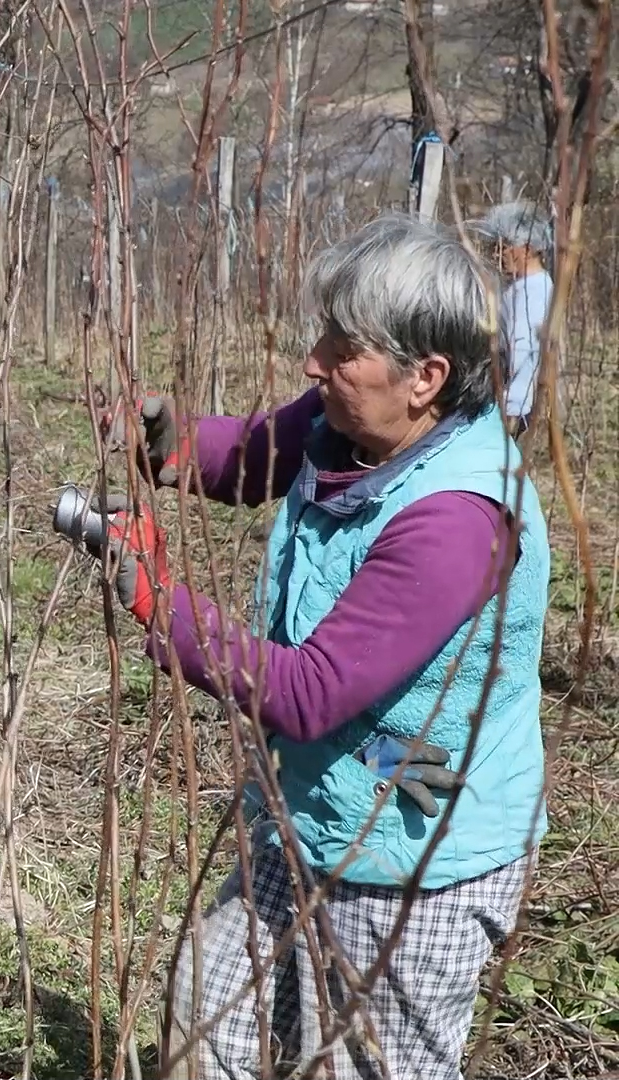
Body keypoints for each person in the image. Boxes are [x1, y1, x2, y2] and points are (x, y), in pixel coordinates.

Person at [93, 215, 548, 1078]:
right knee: (208, 1004)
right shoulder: (354, 426)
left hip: (418, 856)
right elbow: (259, 454)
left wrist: (164, 607)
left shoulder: (459, 519)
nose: (315, 360)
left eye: (342, 347)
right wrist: (167, 439)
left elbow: (311, 691)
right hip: (322, 811)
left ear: (427, 378)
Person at [470, 200, 554, 437]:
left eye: (505, 246)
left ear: (526, 249)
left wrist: (510, 409)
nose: (498, 253)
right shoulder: (519, 286)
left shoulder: (533, 292)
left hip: (510, 407)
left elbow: (525, 351)